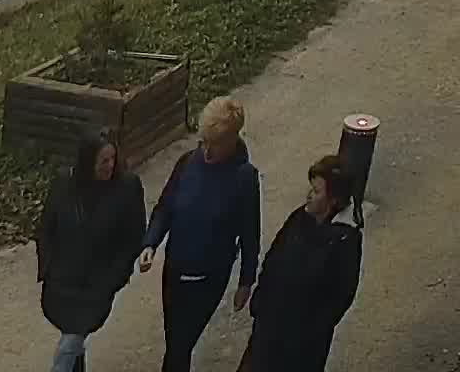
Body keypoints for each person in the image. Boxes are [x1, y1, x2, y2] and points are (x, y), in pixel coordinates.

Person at [138, 95, 260, 370]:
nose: (206, 151)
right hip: (174, 271)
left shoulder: (243, 178)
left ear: (231, 141)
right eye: (204, 141)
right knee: (175, 341)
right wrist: (150, 243)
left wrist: (245, 281)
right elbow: (166, 207)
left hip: (207, 278)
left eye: (214, 145)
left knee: (181, 344)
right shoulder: (187, 163)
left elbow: (250, 234)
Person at [236, 154, 363, 371]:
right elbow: (274, 258)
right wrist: (261, 301)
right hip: (268, 331)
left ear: (333, 200)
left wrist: (307, 332)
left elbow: (339, 297)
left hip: (300, 349)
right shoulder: (299, 218)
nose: (309, 196)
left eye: (316, 192)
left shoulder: (345, 241)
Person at [37, 125, 147, 372]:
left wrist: (115, 277)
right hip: (62, 281)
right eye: (102, 161)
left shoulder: (127, 187)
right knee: (73, 337)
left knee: (71, 341)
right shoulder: (64, 184)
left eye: (112, 159)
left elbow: (133, 237)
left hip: (98, 284)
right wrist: (48, 266)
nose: (109, 165)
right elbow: (46, 228)